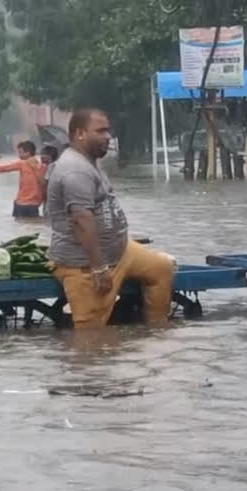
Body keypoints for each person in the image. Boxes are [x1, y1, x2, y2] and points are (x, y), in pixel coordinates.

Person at [46, 108, 175, 329]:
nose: (108, 136)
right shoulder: (75, 170)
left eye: (108, 131)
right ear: (80, 134)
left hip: (121, 251)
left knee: (161, 269)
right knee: (91, 338)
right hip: (85, 263)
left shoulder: (90, 161)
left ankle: (157, 331)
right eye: (100, 131)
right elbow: (81, 220)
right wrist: (98, 269)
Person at [39, 145, 60, 217]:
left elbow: (44, 183)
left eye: (43, 156)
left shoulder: (51, 166)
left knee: (48, 218)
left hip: (51, 199)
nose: (41, 157)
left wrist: (38, 169)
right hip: (55, 198)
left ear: (50, 157)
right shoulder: (58, 164)